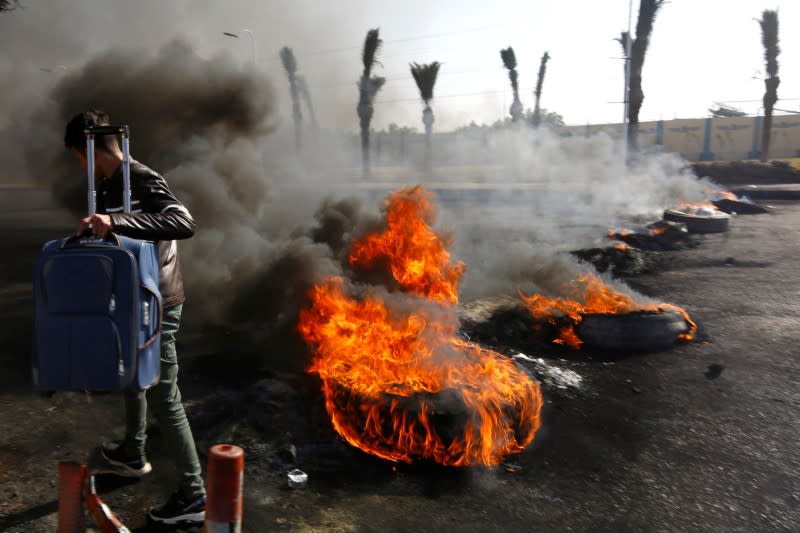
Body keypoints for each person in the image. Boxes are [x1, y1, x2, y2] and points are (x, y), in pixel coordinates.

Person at [64, 110, 206, 526]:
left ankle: (194, 494)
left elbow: (183, 221)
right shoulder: (109, 184)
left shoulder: (140, 176)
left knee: (165, 394)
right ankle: (133, 451)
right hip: (134, 295)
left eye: (77, 157)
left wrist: (116, 220)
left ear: (84, 151)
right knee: (133, 373)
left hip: (157, 300)